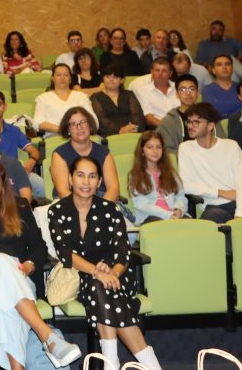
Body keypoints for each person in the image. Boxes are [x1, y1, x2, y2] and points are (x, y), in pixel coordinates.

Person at [0, 155, 80, 370]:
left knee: (5, 302)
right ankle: (46, 335)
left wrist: (29, 264)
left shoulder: (20, 206)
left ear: (2, 179)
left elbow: (39, 248)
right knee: (1, 261)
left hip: (19, 279)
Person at [47, 156, 163, 370]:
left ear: (99, 181)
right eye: (80, 175)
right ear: (70, 179)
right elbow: (66, 254)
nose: (86, 182)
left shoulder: (110, 209)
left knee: (102, 288)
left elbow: (123, 252)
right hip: (80, 276)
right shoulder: (58, 210)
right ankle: (148, 365)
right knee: (98, 286)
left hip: (117, 276)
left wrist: (112, 273)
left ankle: (111, 362)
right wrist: (97, 272)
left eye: (92, 176)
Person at [178, 103, 242, 223]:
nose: (190, 126)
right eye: (189, 121)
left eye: (196, 122)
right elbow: (186, 185)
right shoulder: (186, 148)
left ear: (211, 125)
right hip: (214, 206)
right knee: (212, 220)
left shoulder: (231, 146)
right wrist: (220, 192)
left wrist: (240, 213)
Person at [49, 107, 120, 202]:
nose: (79, 127)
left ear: (90, 125)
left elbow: (113, 188)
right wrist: (83, 208)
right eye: (73, 124)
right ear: (68, 130)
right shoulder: (59, 154)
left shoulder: (104, 153)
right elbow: (63, 191)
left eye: (83, 122)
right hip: (69, 202)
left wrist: (102, 207)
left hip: (102, 200)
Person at [0, 90, 43, 197]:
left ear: (5, 106)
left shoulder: (14, 131)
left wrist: (31, 161)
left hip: (15, 172)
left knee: (41, 186)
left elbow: (35, 151)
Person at [128, 131, 187, 225]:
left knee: (194, 227)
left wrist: (178, 209)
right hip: (150, 218)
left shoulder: (171, 173)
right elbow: (142, 204)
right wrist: (167, 215)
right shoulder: (135, 175)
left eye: (158, 147)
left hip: (173, 215)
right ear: (142, 151)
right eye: (150, 147)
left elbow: (180, 196)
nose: (155, 151)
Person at [34, 64, 97, 138]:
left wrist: (77, 130)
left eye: (66, 75)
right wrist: (62, 130)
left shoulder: (82, 96)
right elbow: (37, 122)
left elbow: (93, 120)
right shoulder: (43, 98)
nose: (62, 78)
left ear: (70, 79)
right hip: (54, 137)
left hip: (80, 136)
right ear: (53, 79)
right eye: (58, 75)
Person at [90, 64, 147, 137]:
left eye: (115, 77)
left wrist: (132, 129)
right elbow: (101, 119)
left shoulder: (129, 94)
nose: (111, 80)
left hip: (133, 132)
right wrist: (120, 130)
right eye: (108, 76)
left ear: (122, 80)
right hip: (109, 135)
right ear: (103, 78)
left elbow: (138, 116)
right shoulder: (96, 97)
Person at [157, 74, 206, 153]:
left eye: (192, 89)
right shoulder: (168, 122)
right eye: (183, 89)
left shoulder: (209, 117)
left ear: (198, 93)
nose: (188, 93)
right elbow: (166, 150)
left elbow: (221, 143)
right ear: (177, 94)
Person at [131, 57, 180, 129]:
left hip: (182, 126)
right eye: (157, 70)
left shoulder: (179, 88)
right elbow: (149, 118)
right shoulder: (142, 91)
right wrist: (169, 127)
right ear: (151, 72)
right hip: (159, 129)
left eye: (164, 71)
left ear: (170, 73)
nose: (160, 74)